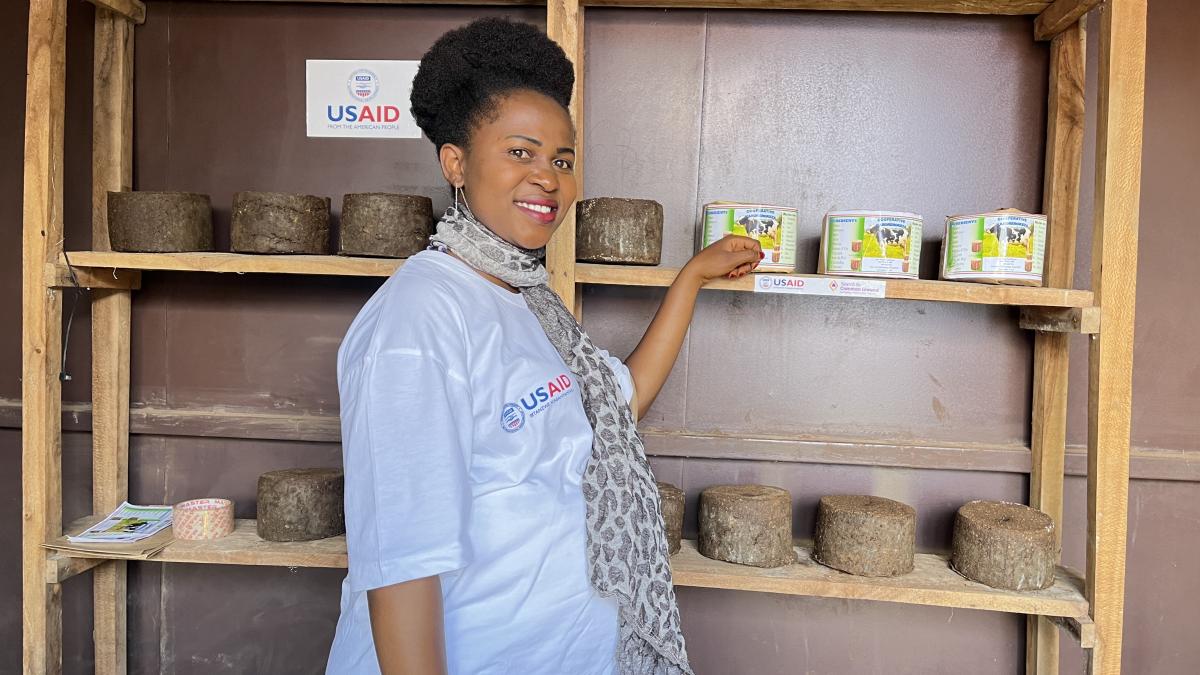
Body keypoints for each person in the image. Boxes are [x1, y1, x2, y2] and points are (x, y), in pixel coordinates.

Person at [325, 17, 762, 675]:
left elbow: (620, 402)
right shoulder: (417, 322)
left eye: (562, 159)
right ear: (456, 163)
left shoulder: (526, 298)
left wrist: (691, 279)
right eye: (520, 152)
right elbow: (403, 570)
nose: (549, 179)